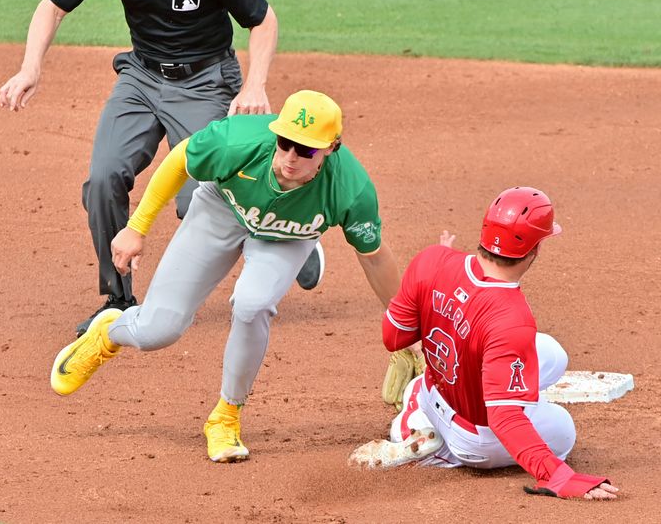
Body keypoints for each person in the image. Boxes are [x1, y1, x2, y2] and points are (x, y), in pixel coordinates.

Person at [50, 90, 401, 463]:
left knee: (253, 304)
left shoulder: (350, 188)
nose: (291, 158)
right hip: (223, 208)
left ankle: (225, 417)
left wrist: (404, 330)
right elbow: (181, 158)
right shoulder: (238, 140)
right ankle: (108, 333)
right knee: (159, 330)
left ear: (331, 148)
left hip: (286, 236)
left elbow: (374, 257)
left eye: (306, 150)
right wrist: (137, 227)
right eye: (285, 143)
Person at [0, 0, 320, 337]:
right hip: (141, 78)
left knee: (198, 200)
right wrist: (30, 66)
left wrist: (255, 85)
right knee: (103, 180)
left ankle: (285, 230)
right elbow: (53, 6)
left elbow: (263, 18)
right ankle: (118, 300)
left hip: (206, 81)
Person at [349, 187, 619, 500]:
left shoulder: (431, 261)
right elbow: (504, 419)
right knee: (562, 428)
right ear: (535, 249)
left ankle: (411, 422)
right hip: (473, 439)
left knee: (552, 354)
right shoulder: (512, 317)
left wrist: (429, 286)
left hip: (434, 389)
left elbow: (393, 336)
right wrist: (558, 476)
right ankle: (441, 455)